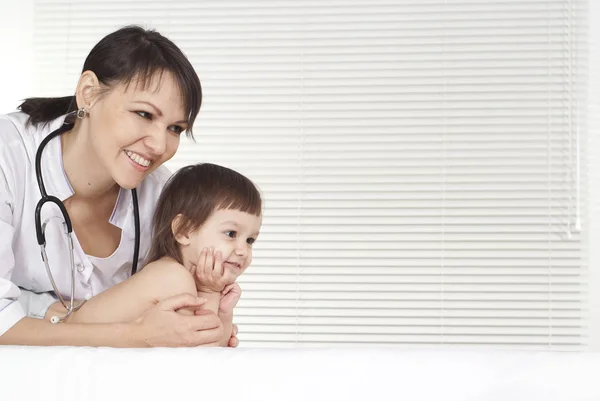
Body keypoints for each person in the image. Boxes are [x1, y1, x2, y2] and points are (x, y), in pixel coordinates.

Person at [0, 25, 238, 347]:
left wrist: (211, 314)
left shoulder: (163, 194)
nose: (158, 145)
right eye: (144, 114)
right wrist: (135, 334)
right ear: (88, 93)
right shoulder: (9, 154)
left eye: (175, 128)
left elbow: (185, 309)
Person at [48, 163, 262, 347]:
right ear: (184, 230)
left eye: (250, 240)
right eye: (231, 234)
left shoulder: (191, 281)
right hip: (59, 335)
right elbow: (199, 351)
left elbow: (216, 350)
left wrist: (224, 313)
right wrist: (210, 293)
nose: (243, 250)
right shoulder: (172, 277)